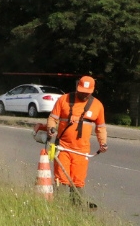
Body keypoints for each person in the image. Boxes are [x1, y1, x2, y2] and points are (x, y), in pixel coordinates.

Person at [46, 75, 108, 203]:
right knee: (61, 179)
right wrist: (51, 128)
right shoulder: (64, 100)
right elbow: (52, 118)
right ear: (76, 87)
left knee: (78, 181)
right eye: (81, 91)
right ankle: (59, 207)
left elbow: (100, 127)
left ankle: (76, 209)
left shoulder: (98, 106)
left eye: (87, 93)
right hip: (62, 147)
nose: (84, 95)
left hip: (82, 150)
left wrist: (103, 143)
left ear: (92, 91)